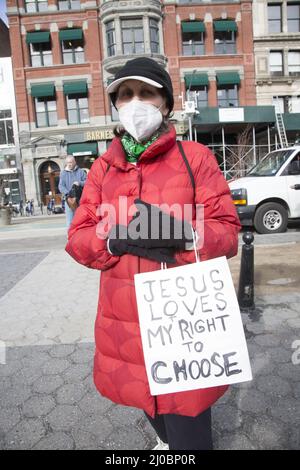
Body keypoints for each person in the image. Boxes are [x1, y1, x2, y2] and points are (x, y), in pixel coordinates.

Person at [65, 57, 241, 450]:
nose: (135, 102)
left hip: (184, 321)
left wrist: (189, 236)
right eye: (125, 95)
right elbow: (77, 238)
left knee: (190, 434)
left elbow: (228, 231)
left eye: (146, 92)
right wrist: (110, 238)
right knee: (149, 405)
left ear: (166, 102)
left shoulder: (195, 158)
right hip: (126, 326)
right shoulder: (102, 169)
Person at [58, 155, 86, 229]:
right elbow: (61, 186)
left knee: (81, 220)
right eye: (67, 163)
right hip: (69, 200)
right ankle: (70, 238)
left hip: (80, 200)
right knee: (70, 221)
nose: (69, 164)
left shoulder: (81, 172)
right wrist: (68, 193)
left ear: (74, 162)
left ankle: (79, 237)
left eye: (70, 162)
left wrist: (79, 183)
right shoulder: (63, 173)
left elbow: (88, 182)